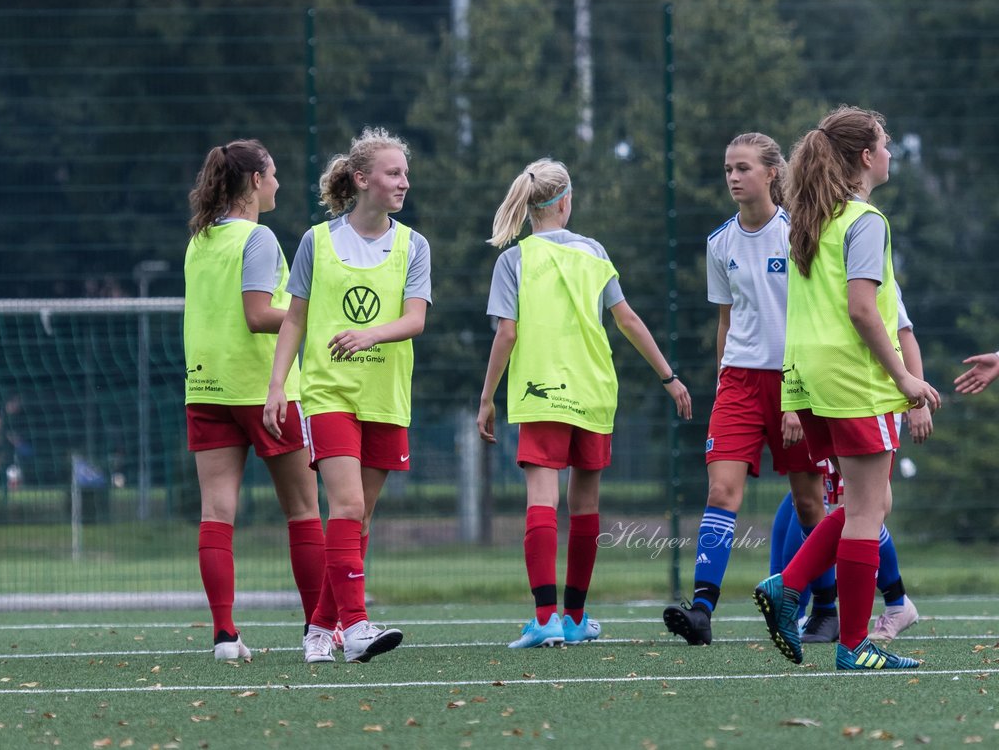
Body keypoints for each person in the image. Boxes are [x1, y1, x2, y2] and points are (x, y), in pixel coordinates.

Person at [476, 158, 692, 649]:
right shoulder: (594, 252)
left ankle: (547, 618)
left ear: (529, 207)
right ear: (566, 202)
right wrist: (669, 378)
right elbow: (629, 320)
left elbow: (506, 334)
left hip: (540, 393)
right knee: (586, 505)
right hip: (595, 393)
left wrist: (487, 398)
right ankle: (574, 619)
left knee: (541, 502)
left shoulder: (514, 259)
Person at [753, 106, 940, 672]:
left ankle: (788, 584)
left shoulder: (811, 221)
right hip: (854, 378)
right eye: (883, 144)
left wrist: (790, 394)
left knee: (868, 501)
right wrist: (905, 377)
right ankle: (853, 644)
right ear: (865, 157)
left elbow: (804, 314)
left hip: (812, 379)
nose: (889, 153)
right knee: (865, 512)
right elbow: (863, 310)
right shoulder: (865, 221)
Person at [263, 126, 430, 664]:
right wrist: (276, 387)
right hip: (328, 393)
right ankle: (355, 628)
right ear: (362, 179)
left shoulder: (414, 245)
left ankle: (319, 629)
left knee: (357, 522)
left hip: (385, 395)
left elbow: (415, 320)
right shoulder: (317, 240)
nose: (404, 181)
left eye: (405, 172)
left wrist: (370, 334)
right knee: (349, 505)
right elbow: (294, 319)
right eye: (393, 172)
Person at [662, 133, 828, 646]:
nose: (733, 177)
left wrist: (798, 392)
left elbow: (812, 317)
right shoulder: (719, 243)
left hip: (793, 382)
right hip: (737, 383)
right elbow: (725, 321)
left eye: (743, 168)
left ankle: (828, 606)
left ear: (772, 173)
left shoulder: (799, 233)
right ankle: (703, 612)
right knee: (720, 492)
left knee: (807, 503)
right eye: (727, 169)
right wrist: (721, 384)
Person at [183, 138, 325, 663]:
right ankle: (318, 629)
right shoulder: (258, 238)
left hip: (206, 389)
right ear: (254, 182)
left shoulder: (199, 241)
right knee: (304, 511)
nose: (279, 184)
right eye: (274, 174)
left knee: (217, 513)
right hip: (265, 390)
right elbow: (258, 313)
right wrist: (314, 314)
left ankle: (224, 635)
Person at [772, 287, 930, 642]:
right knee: (861, 508)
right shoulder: (822, 247)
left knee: (863, 508)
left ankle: (801, 594)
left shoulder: (857, 245)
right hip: (836, 394)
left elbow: (901, 332)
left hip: (867, 396)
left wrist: (915, 396)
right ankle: (869, 612)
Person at [0, 393, 33, 489]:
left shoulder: (21, 417)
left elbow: (19, 438)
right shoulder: (0, 416)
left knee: (26, 453)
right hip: (3, 448)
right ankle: (3, 483)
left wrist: (17, 441)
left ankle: (16, 482)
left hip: (18, 448)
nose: (18, 405)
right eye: (16, 402)